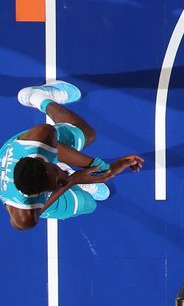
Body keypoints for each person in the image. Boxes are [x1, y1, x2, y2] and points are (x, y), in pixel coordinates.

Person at [1, 80, 143, 230]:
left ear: (42, 161)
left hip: (25, 148)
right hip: (45, 177)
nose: (61, 176)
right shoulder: (23, 216)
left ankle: (36, 96)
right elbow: (34, 215)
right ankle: (64, 177)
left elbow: (67, 153)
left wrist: (107, 168)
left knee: (87, 134)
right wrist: (72, 179)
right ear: (39, 193)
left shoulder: (42, 136)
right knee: (89, 204)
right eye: (55, 185)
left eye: (57, 170)